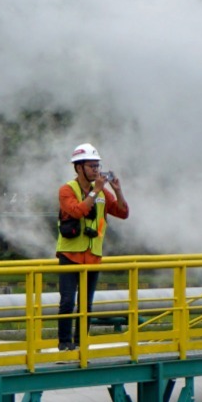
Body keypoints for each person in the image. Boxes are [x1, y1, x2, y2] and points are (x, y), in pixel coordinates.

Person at [56, 143, 128, 351]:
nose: (96, 170)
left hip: (93, 256)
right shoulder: (67, 190)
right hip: (70, 255)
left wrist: (118, 191)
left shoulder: (104, 193)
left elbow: (123, 213)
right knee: (68, 302)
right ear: (79, 168)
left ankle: (81, 343)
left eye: (98, 166)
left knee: (86, 304)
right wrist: (95, 192)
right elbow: (77, 211)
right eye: (91, 166)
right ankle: (64, 343)